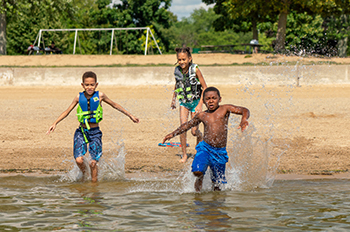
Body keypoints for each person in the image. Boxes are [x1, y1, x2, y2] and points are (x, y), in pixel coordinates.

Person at [47, 71, 139, 182]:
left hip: (95, 132)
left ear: (96, 85)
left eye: (92, 84)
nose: (89, 87)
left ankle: (94, 186)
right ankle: (85, 174)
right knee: (79, 160)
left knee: (93, 162)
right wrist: (55, 123)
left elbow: (115, 105)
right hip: (81, 131)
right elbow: (67, 111)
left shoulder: (100, 95)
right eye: (87, 85)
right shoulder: (78, 97)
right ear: (82, 85)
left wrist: (130, 115)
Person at [163, 87, 250, 192]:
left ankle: (213, 205)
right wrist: (172, 134)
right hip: (205, 148)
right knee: (198, 171)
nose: (211, 100)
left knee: (217, 186)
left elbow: (244, 110)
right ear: (204, 102)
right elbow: (187, 125)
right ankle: (198, 193)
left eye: (214, 98)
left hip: (220, 152)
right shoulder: (202, 115)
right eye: (208, 99)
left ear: (220, 99)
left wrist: (244, 119)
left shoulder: (225, 109)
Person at [170, 47, 207, 163]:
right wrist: (173, 99)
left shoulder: (195, 69)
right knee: (183, 128)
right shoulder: (177, 70)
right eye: (179, 60)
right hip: (184, 103)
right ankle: (184, 154)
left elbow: (205, 88)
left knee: (194, 131)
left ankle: (199, 146)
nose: (181, 62)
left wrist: (200, 105)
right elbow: (177, 84)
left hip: (196, 102)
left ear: (189, 59)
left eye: (184, 59)